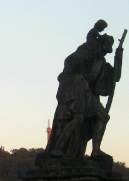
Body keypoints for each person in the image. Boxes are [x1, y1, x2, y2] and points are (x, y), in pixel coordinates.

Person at [45, 20, 121, 158]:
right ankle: (58, 148)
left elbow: (115, 77)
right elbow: (75, 59)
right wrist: (79, 73)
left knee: (103, 117)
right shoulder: (88, 50)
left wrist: (119, 57)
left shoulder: (101, 62)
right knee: (78, 119)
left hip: (86, 92)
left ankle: (96, 150)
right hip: (76, 89)